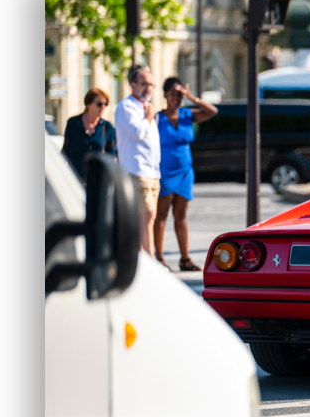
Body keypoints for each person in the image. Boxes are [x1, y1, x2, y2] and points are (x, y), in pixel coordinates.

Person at [154, 77, 218, 271]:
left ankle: (185, 259)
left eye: (180, 94)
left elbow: (212, 111)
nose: (176, 98)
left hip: (184, 173)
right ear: (165, 94)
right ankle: (158, 258)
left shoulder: (187, 114)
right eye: (173, 93)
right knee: (161, 214)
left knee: (181, 215)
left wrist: (193, 98)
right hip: (164, 172)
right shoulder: (157, 117)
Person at [114, 64, 161, 258]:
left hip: (152, 173)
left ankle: (143, 258)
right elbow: (137, 132)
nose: (148, 88)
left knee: (149, 218)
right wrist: (149, 117)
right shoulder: (127, 106)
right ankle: (148, 260)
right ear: (132, 85)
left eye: (151, 84)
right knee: (146, 217)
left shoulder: (146, 108)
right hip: (137, 170)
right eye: (143, 84)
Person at [61, 87, 116, 180]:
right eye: (99, 104)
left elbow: (111, 155)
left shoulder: (107, 127)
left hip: (98, 178)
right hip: (75, 176)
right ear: (88, 104)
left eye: (105, 104)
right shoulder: (73, 123)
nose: (103, 107)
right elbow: (65, 150)